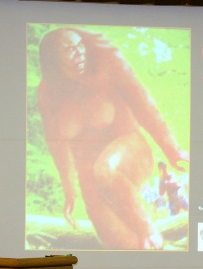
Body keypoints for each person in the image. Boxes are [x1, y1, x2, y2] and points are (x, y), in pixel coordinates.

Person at [36, 27, 188, 250]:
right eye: (69, 50)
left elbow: (144, 105)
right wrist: (69, 190)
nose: (80, 54)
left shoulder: (109, 65)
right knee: (121, 244)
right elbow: (56, 144)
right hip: (90, 176)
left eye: (80, 46)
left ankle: (147, 227)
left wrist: (172, 151)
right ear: (53, 59)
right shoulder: (48, 92)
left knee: (105, 169)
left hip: (129, 151)